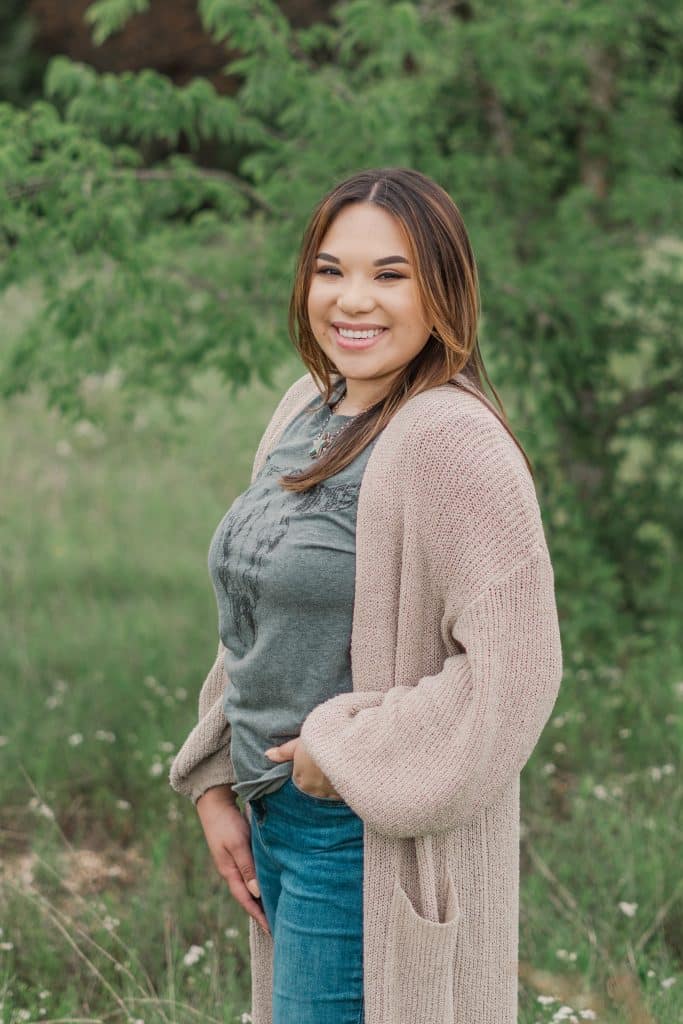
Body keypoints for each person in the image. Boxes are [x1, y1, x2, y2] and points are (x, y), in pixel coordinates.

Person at [169, 166, 563, 1024]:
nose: (353, 300)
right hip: (272, 815)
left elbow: (516, 675)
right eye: (330, 270)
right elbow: (254, 615)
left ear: (442, 293)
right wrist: (211, 780)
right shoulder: (306, 409)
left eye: (391, 275)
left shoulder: (451, 440)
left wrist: (336, 757)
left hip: (359, 836)